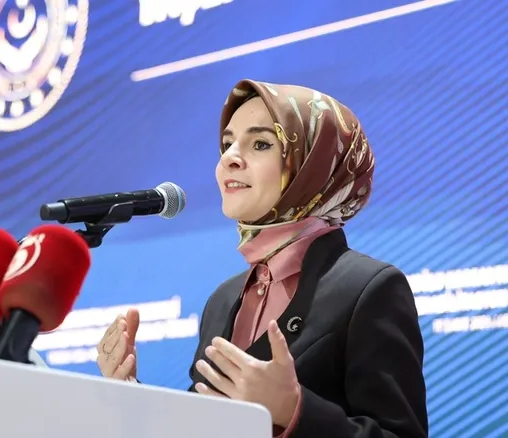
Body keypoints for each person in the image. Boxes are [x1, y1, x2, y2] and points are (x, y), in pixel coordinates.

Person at [96, 79, 428, 437]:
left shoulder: (369, 288)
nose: (229, 158)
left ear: (313, 164)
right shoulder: (223, 300)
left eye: (260, 144)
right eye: (227, 144)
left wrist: (294, 410)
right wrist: (131, 393)